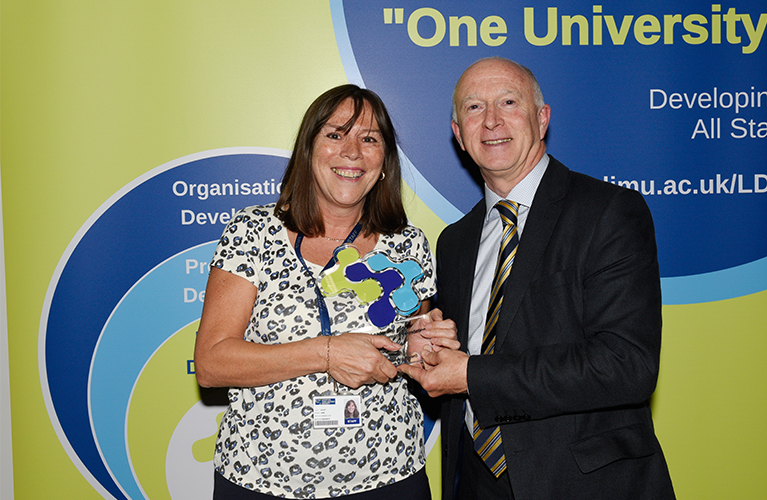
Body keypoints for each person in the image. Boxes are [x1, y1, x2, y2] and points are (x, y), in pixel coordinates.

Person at [399, 57, 676, 499]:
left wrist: (472, 374)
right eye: (473, 108)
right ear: (459, 135)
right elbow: (454, 367)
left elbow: (627, 364)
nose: (491, 120)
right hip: (475, 484)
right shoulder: (454, 241)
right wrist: (429, 351)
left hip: (586, 485)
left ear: (541, 118)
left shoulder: (609, 212)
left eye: (508, 102)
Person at [195, 84, 457, 499]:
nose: (352, 151)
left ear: (384, 161)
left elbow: (411, 352)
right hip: (262, 478)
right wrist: (327, 352)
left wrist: (425, 348)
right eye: (335, 134)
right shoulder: (253, 232)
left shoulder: (408, 245)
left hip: (387, 476)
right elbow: (211, 363)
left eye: (369, 139)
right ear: (308, 150)